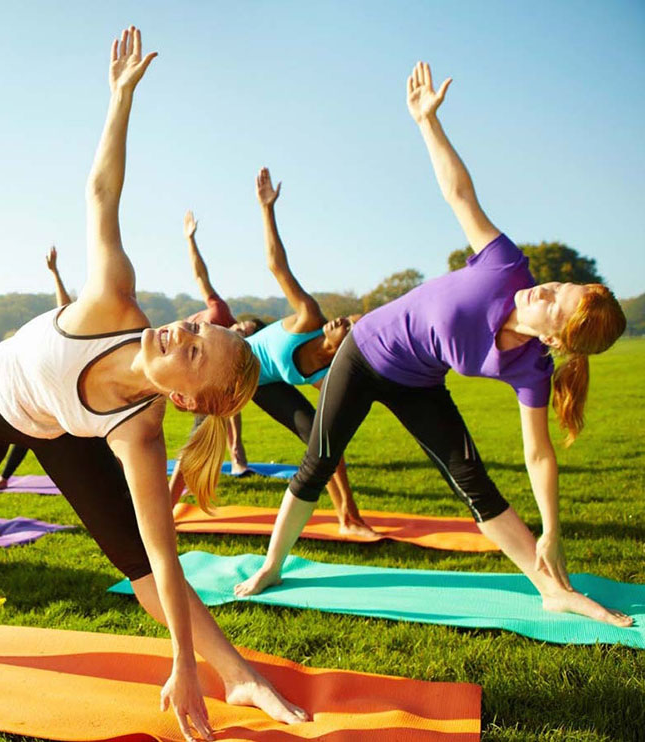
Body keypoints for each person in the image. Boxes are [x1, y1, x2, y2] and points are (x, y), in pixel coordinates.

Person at [0, 27, 309, 739]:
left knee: (136, 558)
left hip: (59, 426)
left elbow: (163, 563)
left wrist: (186, 661)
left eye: (191, 351)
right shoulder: (115, 299)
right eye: (194, 328)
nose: (180, 331)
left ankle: (234, 673)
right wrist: (120, 99)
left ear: (180, 397)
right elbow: (100, 192)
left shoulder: (139, 434)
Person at [234, 62, 632, 631]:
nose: (544, 289)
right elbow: (458, 193)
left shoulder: (531, 365)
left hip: (418, 382)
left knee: (473, 482)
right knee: (318, 460)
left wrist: (552, 527)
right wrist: (427, 122)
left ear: (553, 337)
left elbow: (538, 454)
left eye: (555, 303)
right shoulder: (505, 266)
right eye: (557, 286)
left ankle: (549, 589)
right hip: (364, 352)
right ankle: (273, 563)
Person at [239, 166, 375, 537]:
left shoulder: (326, 375)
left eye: (350, 325)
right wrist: (267, 209)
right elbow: (276, 265)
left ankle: (348, 517)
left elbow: (344, 408)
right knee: (201, 437)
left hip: (261, 386)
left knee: (323, 438)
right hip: (233, 365)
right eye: (347, 317)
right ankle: (165, 513)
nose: (342, 321)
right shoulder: (308, 317)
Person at [167, 210, 263, 505]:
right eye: (246, 326)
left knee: (206, 430)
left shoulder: (224, 363)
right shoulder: (219, 314)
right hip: (165, 357)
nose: (243, 330)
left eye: (248, 335)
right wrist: (190, 240)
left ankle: (234, 463)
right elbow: (200, 275)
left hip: (188, 379)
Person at [0, 245, 72, 492]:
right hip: (46, 400)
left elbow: (64, 307)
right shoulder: (55, 341)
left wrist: (55, 273)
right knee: (25, 433)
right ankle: (3, 477)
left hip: (66, 406)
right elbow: (64, 308)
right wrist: (54, 272)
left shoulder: (74, 340)